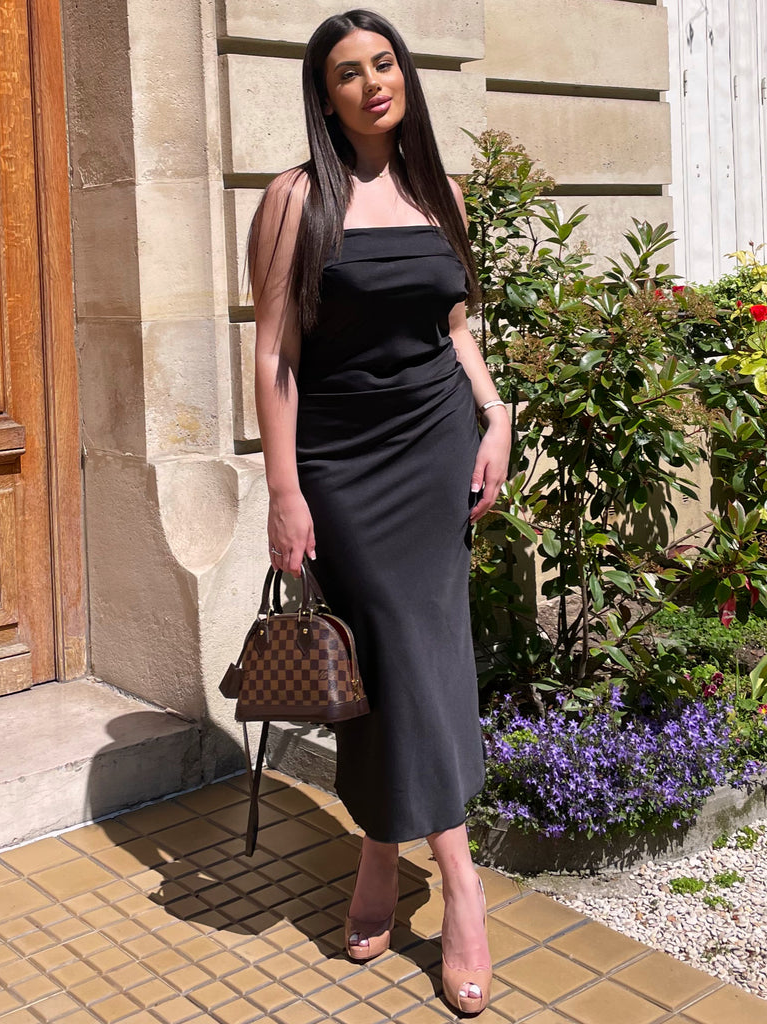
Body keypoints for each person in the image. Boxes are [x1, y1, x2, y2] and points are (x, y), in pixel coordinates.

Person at [248, 9, 511, 1015]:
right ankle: (461, 881)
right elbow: (274, 355)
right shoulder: (295, 199)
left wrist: (495, 415)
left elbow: (454, 325)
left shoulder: (440, 192)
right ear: (326, 96)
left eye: (384, 62)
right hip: (342, 464)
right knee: (390, 650)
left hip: (436, 445)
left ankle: (379, 854)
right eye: (349, 72)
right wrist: (283, 489)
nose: (373, 83)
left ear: (404, 75)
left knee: (412, 656)